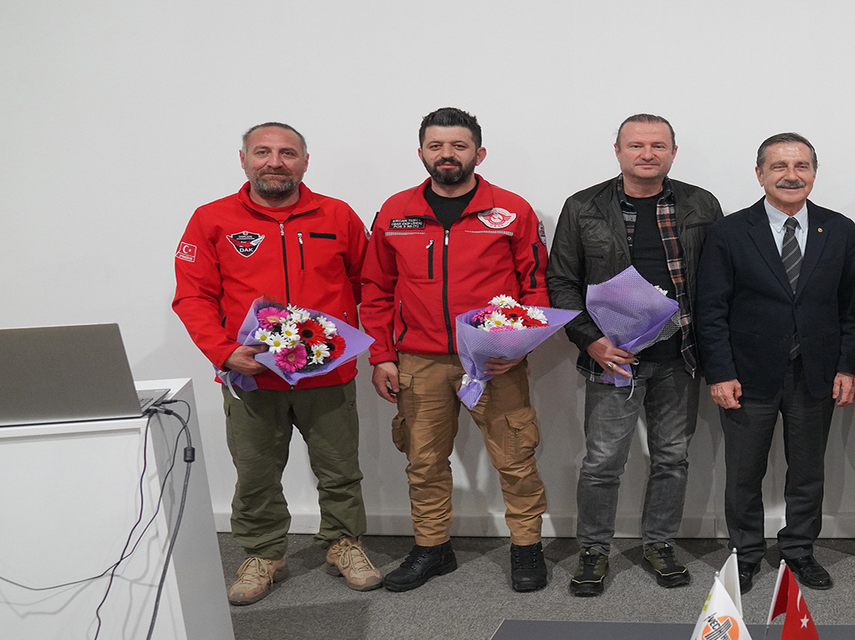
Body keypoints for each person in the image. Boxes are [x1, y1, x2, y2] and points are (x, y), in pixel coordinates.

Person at [174, 122, 378, 605]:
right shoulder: (211, 219)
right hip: (250, 377)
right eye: (262, 152)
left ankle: (343, 543)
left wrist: (353, 343)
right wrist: (224, 352)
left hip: (327, 375)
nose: (274, 162)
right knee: (255, 473)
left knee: (340, 469)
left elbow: (369, 283)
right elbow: (193, 295)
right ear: (243, 159)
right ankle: (264, 553)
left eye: (287, 153)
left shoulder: (338, 214)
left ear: (304, 161)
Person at [362, 107, 553, 593]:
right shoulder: (395, 211)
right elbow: (376, 288)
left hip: (493, 360)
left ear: (478, 153)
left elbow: (535, 285)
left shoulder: (512, 210)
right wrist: (382, 354)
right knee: (423, 462)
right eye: (436, 146)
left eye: (459, 146)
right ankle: (432, 548)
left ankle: (527, 547)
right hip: (418, 361)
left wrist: (521, 343)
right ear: (422, 153)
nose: (447, 154)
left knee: (515, 458)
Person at [547, 114, 724, 597]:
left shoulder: (701, 204)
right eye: (636, 145)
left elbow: (718, 278)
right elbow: (561, 281)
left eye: (658, 145)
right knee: (602, 462)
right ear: (618, 151)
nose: (648, 154)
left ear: (673, 152)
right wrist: (590, 340)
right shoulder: (583, 207)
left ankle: (659, 543)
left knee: (672, 457)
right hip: (613, 358)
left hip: (680, 356)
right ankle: (593, 550)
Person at [697, 132, 855, 594]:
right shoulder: (730, 231)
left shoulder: (839, 229)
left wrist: (848, 367)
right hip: (746, 376)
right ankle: (745, 553)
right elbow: (711, 309)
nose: (791, 175)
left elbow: (853, 308)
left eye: (801, 166)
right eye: (779, 166)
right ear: (760, 174)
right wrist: (720, 372)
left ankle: (799, 551)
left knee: (808, 471)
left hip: (816, 373)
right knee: (743, 473)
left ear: (813, 173)